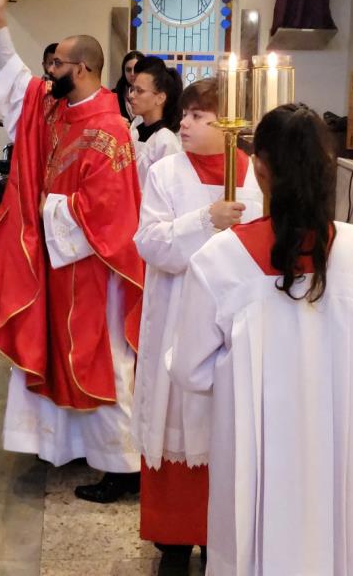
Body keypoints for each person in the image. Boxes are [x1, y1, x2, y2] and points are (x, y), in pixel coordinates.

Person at [168, 104, 353, 576]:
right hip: (340, 456)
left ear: (259, 170)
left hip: (252, 460)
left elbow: (190, 370)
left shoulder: (221, 257)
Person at [0, 0, 145, 501]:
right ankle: (69, 447)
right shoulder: (56, 110)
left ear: (85, 69)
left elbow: (109, 211)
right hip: (58, 261)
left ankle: (124, 467)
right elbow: (15, 81)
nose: (49, 71)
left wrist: (44, 210)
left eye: (58, 65)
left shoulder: (109, 129)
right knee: (58, 353)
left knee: (105, 359)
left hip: (94, 267)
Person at [132, 79, 263, 574]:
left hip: (236, 322)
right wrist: (206, 221)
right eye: (184, 114)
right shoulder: (166, 172)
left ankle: (218, 541)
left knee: (226, 427)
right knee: (175, 421)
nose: (183, 123)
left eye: (198, 116)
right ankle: (172, 543)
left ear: (231, 125)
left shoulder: (256, 177)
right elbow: (149, 242)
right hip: (176, 317)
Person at [127, 56, 183, 186]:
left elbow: (168, 188)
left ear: (160, 98)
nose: (131, 95)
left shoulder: (165, 140)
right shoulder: (134, 131)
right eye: (132, 89)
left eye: (139, 91)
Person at [115, 49, 142, 121]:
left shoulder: (151, 95)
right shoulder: (114, 96)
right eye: (128, 70)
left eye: (137, 69)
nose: (132, 74)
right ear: (124, 72)